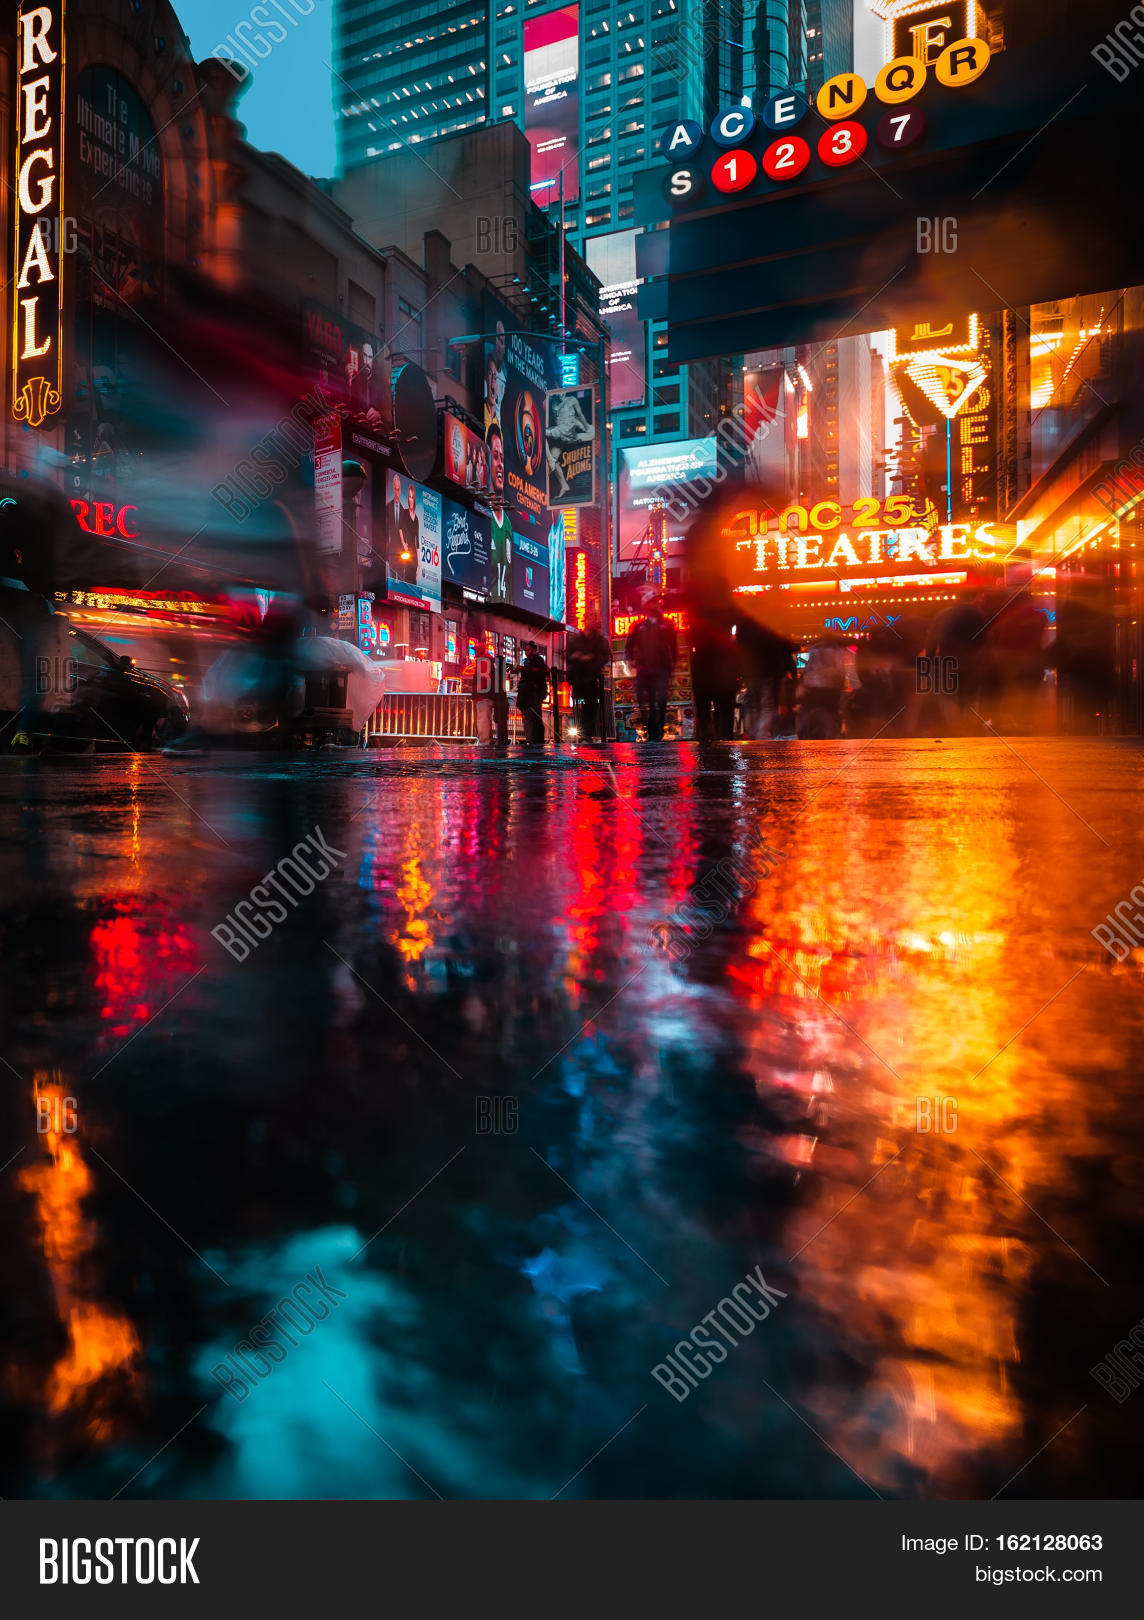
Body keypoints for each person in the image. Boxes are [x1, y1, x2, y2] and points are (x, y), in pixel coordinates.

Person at [625, 605, 677, 742]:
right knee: (643, 698)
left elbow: (673, 645)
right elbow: (629, 644)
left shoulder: (666, 625)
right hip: (644, 667)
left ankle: (657, 729)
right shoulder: (640, 626)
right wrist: (631, 659)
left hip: (661, 667)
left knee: (660, 699)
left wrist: (673, 663)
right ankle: (651, 726)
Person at [689, 614, 740, 740]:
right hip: (724, 679)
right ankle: (725, 737)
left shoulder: (701, 645)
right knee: (724, 711)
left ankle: (707, 737)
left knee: (705, 712)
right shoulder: (726, 643)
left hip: (705, 680)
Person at [565, 618, 611, 742]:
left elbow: (606, 657)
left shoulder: (599, 640)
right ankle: (584, 733)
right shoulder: (577, 639)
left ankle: (586, 734)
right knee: (581, 705)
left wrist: (592, 660)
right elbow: (568, 656)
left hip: (590, 676)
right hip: (579, 676)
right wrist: (578, 657)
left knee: (589, 705)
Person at [516, 640, 549, 745]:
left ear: (534, 650)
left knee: (532, 718)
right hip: (530, 693)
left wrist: (525, 670)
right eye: (525, 650)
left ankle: (533, 740)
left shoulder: (536, 660)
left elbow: (542, 671)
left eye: (528, 650)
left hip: (531, 693)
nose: (526, 652)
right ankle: (534, 740)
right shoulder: (529, 660)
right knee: (532, 718)